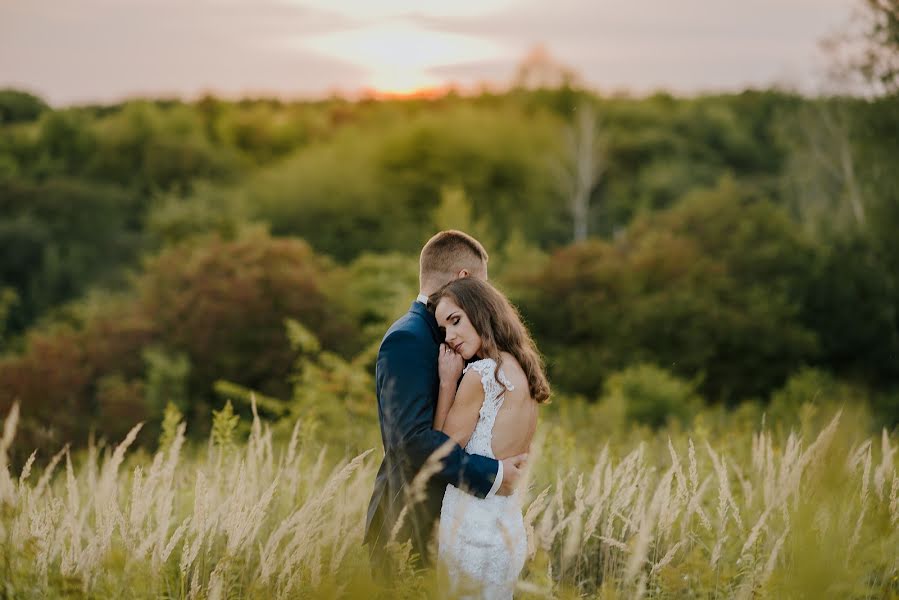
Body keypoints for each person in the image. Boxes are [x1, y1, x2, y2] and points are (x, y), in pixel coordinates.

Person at [364, 230, 528, 574]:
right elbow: (410, 440)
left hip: (467, 526)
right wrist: (493, 474)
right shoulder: (408, 339)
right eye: (483, 285)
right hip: (410, 525)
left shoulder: (464, 339)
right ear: (464, 279)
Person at [429, 276, 550, 599]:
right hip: (505, 531)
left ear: (480, 312)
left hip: (470, 531)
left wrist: (446, 382)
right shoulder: (522, 369)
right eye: (443, 330)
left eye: (455, 321)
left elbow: (440, 451)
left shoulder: (481, 375)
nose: (450, 337)